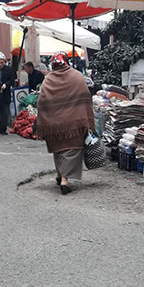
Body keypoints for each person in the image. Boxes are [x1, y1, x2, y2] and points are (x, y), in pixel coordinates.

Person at [35, 51, 96, 195]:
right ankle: (64, 180)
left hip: (54, 124)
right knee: (72, 150)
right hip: (74, 122)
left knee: (59, 149)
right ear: (67, 62)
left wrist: (44, 120)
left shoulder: (48, 79)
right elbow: (85, 97)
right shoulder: (77, 76)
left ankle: (59, 173)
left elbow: (42, 102)